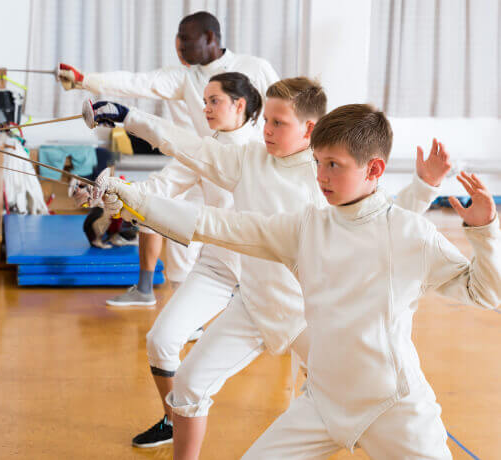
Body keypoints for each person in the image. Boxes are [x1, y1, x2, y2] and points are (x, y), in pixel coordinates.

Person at [103, 104, 500, 459]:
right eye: (318, 163)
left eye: (334, 165)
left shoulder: (410, 232)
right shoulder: (307, 227)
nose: (322, 177)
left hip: (393, 408)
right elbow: (219, 224)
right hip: (323, 404)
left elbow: (485, 291)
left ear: (374, 169)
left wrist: (484, 230)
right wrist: (137, 201)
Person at [60, 11, 278, 306]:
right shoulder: (185, 79)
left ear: (210, 38)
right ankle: (179, 304)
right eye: (206, 101)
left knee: (233, 243)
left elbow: (285, 110)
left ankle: (237, 299)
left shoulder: (256, 68)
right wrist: (85, 81)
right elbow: (138, 82)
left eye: (185, 39)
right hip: (201, 157)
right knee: (173, 224)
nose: (179, 46)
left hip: (245, 172)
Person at [98, 73, 262, 448]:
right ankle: (173, 421)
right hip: (218, 268)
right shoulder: (203, 149)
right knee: (161, 340)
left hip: (265, 274)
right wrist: (110, 192)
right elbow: (159, 188)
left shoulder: (262, 148)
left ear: (240, 104)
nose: (204, 108)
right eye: (203, 101)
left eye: (213, 101)